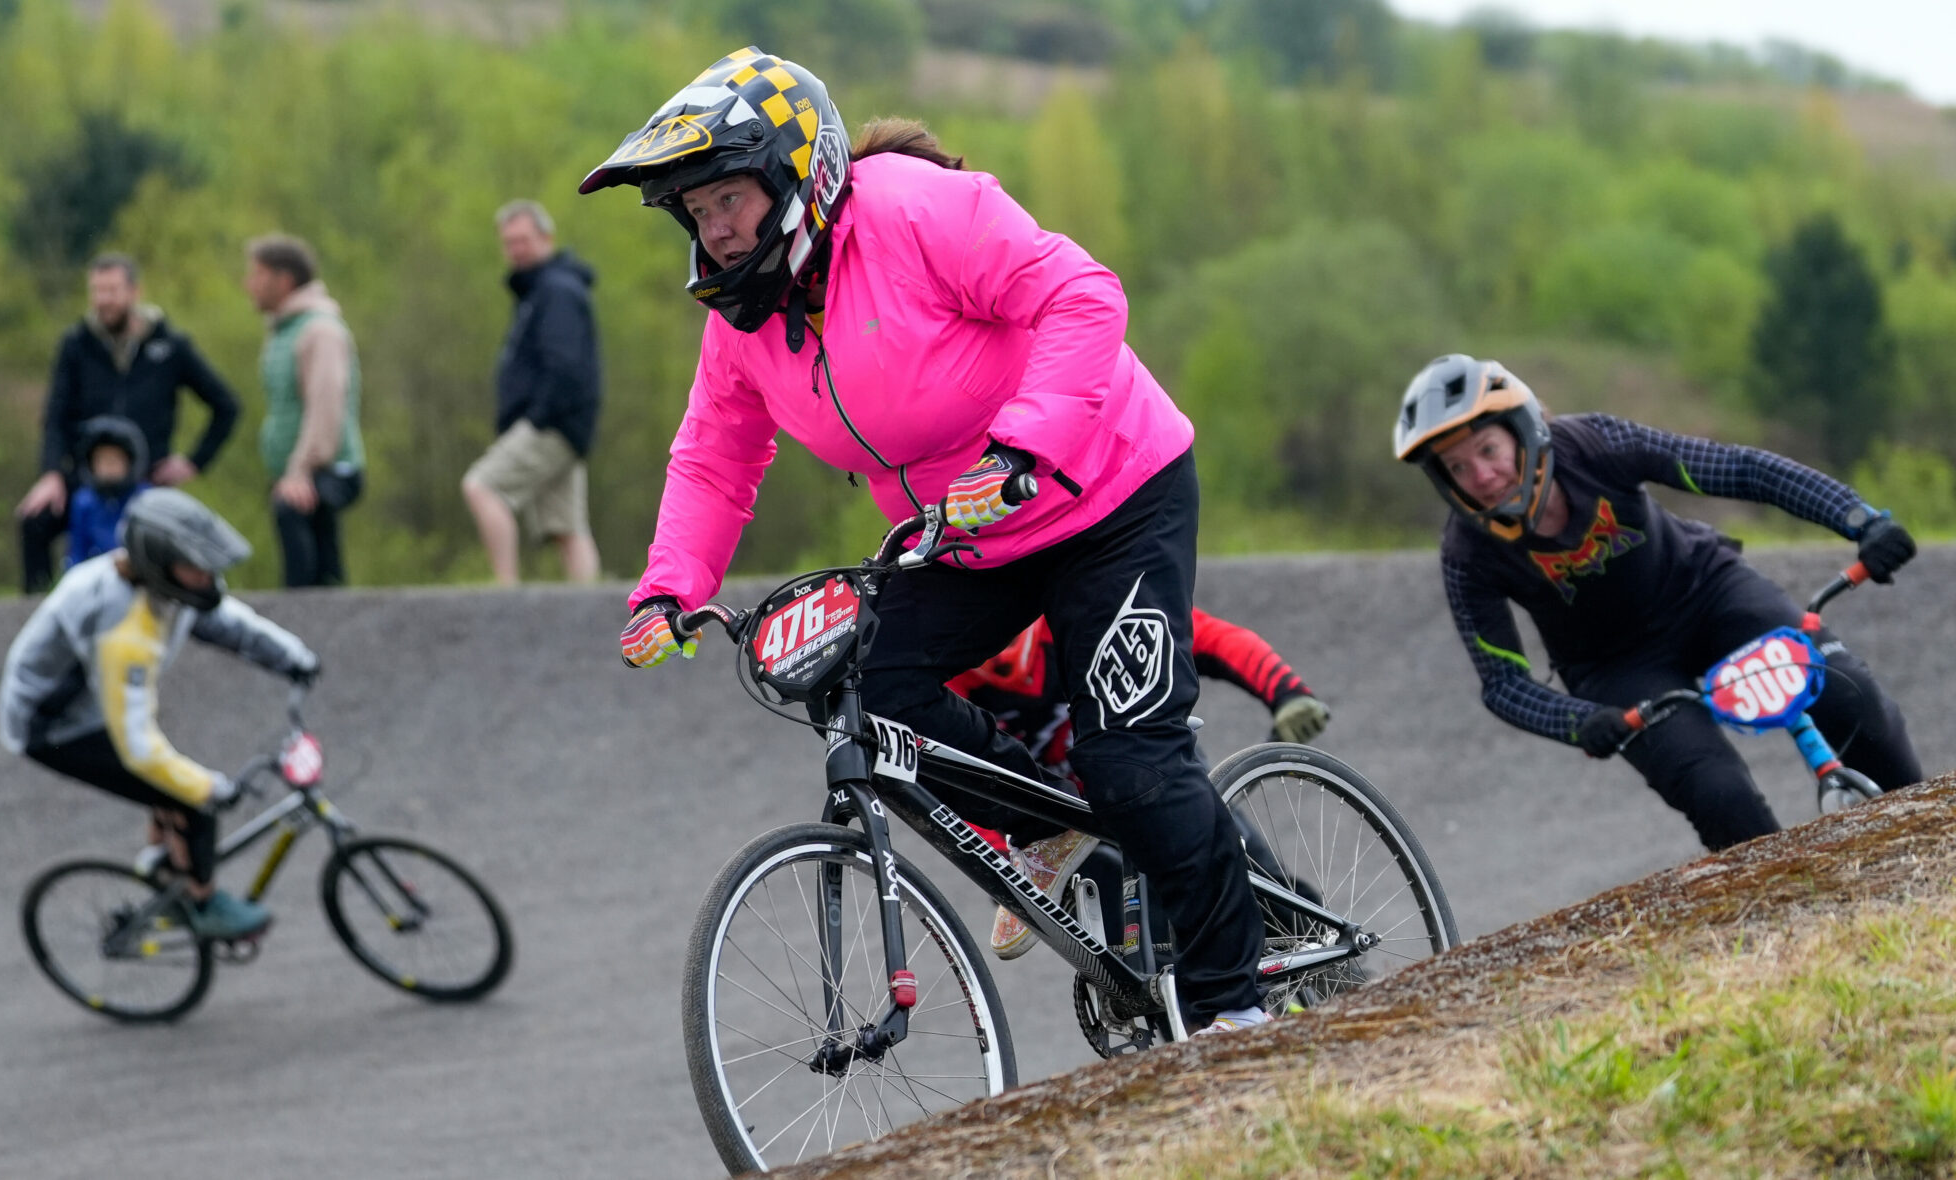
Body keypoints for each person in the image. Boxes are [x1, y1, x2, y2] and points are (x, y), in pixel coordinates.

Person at [582, 47, 1269, 1034]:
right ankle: (1044, 822)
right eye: (694, 212)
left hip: (1107, 491)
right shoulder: (744, 321)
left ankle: (1231, 1010)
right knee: (872, 693)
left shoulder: (912, 211)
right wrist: (667, 586)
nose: (715, 229)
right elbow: (713, 457)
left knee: (1130, 762)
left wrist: (1026, 444)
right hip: (967, 535)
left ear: (796, 175)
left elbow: (1080, 295)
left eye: (727, 197)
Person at [1394, 354, 1922, 852]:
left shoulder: (1597, 443)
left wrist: (1859, 520)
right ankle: (1793, 924)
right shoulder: (1467, 554)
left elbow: (1742, 469)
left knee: (1851, 698)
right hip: (1615, 668)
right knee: (1718, 794)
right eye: (1458, 468)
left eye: (1488, 451)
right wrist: (1579, 721)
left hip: (1707, 593)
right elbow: (1503, 683)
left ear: (1524, 431)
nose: (1482, 478)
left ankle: (1930, 837)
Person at [0, 488, 320, 939]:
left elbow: (227, 623)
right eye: (196, 568)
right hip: (52, 728)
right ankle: (203, 902)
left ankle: (162, 864)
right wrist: (209, 789)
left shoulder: (170, 585)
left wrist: (293, 658)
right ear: (160, 565)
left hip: (96, 705)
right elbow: (138, 748)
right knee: (193, 800)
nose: (207, 577)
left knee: (174, 790)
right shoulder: (122, 630)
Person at [951, 611, 1332, 959]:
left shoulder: (1068, 615)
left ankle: (1328, 964)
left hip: (1147, 766)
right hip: (1064, 817)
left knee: (1249, 873)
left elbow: (1208, 637)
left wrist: (1285, 690)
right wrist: (997, 855)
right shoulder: (951, 678)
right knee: (1132, 945)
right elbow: (961, 780)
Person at [16, 253, 242, 593]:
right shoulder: (76, 346)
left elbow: (226, 405)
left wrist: (194, 462)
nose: (104, 300)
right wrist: (51, 473)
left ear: (134, 292)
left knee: (173, 551)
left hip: (147, 483)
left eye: (112, 290)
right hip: (86, 478)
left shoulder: (171, 346)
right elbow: (56, 415)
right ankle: (40, 617)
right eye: (97, 291)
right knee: (33, 520)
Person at [462, 199, 604, 585]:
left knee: (482, 486)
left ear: (546, 237)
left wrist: (537, 416)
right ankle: (590, 605)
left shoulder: (556, 290)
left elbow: (565, 366)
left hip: (551, 422)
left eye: (523, 239)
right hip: (564, 422)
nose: (516, 249)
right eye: (509, 242)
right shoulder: (543, 290)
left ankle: (506, 588)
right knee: (568, 526)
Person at [243, 234, 366, 588]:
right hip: (300, 470)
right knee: (326, 567)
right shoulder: (284, 331)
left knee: (291, 514)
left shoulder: (319, 330)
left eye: (257, 275)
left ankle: (300, 621)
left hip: (327, 467)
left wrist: (300, 471)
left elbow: (326, 405)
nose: (249, 284)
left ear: (284, 281)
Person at [64, 416, 151, 568]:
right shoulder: (84, 500)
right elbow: (77, 550)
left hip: (136, 573)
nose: (109, 468)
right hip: (96, 574)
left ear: (129, 462)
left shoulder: (145, 497)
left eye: (115, 460)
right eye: (102, 460)